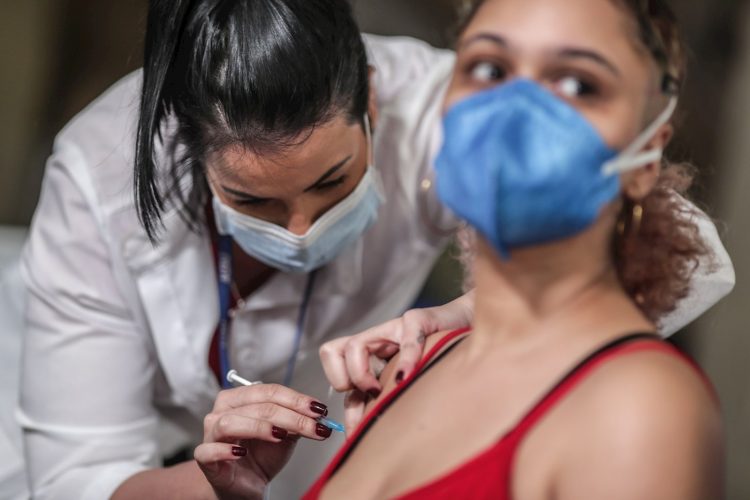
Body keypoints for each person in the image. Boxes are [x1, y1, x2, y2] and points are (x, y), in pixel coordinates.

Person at [17, 1, 730, 500]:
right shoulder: (95, 179)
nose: (299, 229)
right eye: (253, 201)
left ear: (374, 104)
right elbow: (80, 478)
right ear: (190, 152)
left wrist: (469, 313)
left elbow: (688, 251)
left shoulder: (442, 115)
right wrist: (216, 488)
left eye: (333, 180)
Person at [303, 0, 725, 498]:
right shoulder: (416, 365)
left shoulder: (636, 410)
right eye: (489, 68)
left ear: (646, 159)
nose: (514, 108)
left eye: (577, 84)